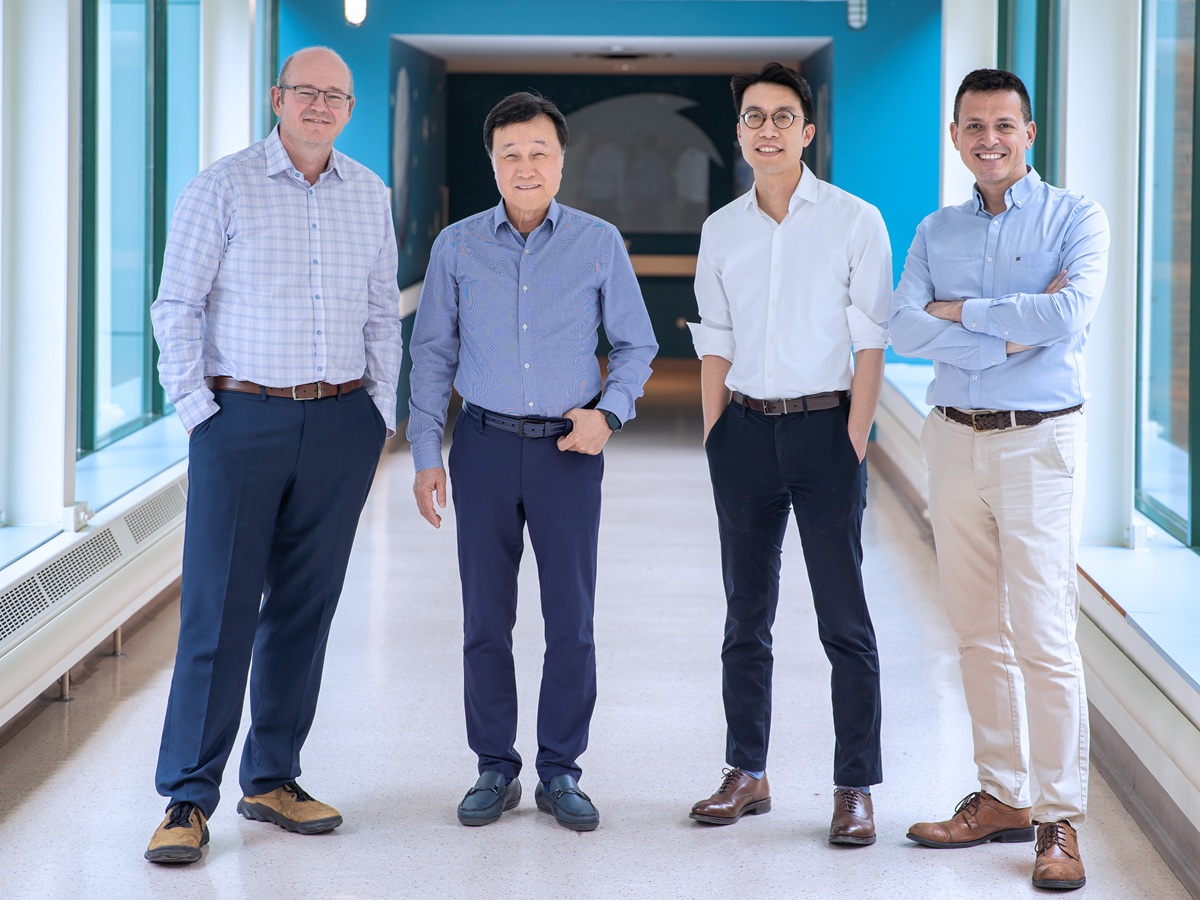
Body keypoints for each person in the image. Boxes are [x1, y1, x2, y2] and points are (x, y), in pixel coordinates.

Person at [145, 46, 402, 864]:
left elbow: (379, 314)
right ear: (276, 97)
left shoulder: (370, 193)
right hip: (240, 418)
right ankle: (188, 797)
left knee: (305, 607)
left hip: (338, 424)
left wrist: (377, 415)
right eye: (306, 92)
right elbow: (175, 305)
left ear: (350, 109)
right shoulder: (221, 186)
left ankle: (274, 778)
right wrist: (199, 414)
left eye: (336, 95)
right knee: (217, 611)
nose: (320, 105)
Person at [406, 92, 657, 832]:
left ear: (560, 159)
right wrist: (428, 453)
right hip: (481, 445)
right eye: (510, 153)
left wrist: (609, 415)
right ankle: (494, 766)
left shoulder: (598, 242)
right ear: (493, 161)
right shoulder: (456, 246)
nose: (525, 166)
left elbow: (637, 346)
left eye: (538, 152)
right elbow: (431, 356)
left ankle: (561, 771)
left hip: (566, 452)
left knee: (570, 620)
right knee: (485, 619)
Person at [890, 68, 1109, 892]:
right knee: (977, 631)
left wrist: (964, 316)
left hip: (1039, 444)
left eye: (1004, 126)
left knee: (1045, 636)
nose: (989, 140)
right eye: (974, 127)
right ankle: (1003, 797)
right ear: (955, 136)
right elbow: (906, 325)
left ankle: (1059, 819)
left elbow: (1069, 315)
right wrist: (1011, 329)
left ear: (1029, 132)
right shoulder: (934, 229)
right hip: (952, 440)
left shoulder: (1077, 217)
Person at [687, 62, 890, 845]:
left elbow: (870, 341)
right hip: (743, 433)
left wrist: (853, 440)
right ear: (738, 133)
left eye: (782, 117)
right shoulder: (722, 230)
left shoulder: (853, 220)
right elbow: (715, 342)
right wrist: (716, 436)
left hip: (825, 434)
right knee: (746, 616)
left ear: (807, 131)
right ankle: (748, 771)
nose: (766, 129)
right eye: (753, 118)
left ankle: (855, 786)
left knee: (845, 622)